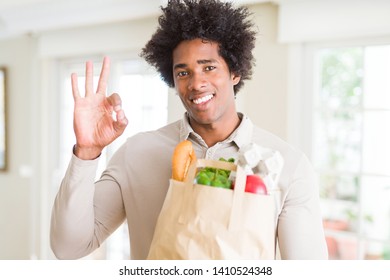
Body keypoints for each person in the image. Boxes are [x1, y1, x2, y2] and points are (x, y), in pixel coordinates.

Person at [50, 0, 328, 260]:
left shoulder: (287, 165)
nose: (196, 83)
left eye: (209, 67)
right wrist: (86, 151)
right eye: (183, 72)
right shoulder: (136, 154)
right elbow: (68, 247)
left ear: (235, 72)